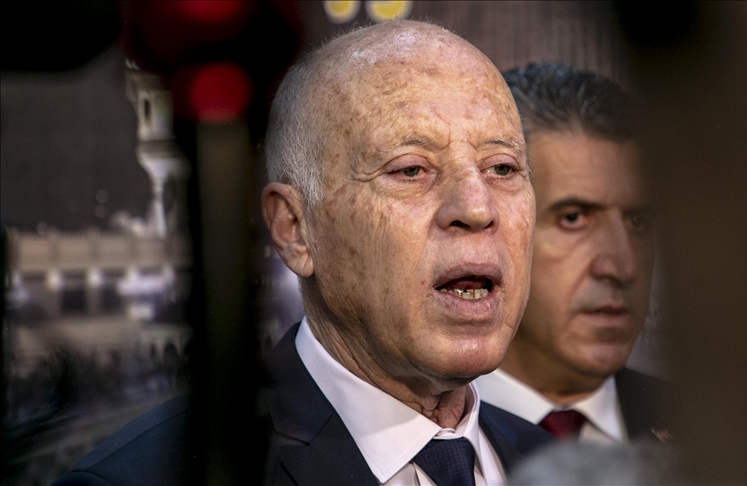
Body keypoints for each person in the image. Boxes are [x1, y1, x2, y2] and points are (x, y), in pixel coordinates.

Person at [54, 21, 550, 486]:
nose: (477, 207)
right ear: (295, 230)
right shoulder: (152, 476)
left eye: (503, 168)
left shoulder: (562, 464)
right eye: (410, 170)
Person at [476, 63, 670, 444]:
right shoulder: (424, 446)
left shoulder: (715, 437)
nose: (622, 266)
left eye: (638, 222)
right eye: (573, 218)